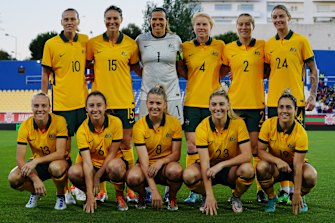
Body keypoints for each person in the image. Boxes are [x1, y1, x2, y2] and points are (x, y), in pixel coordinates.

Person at [264, 4, 318, 203]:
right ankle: (283, 190)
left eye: (281, 16)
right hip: (273, 102)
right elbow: (265, 71)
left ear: (289, 18)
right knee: (274, 146)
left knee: (295, 145)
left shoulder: (301, 41)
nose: (278, 20)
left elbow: (314, 70)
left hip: (296, 102)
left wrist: (312, 95)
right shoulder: (268, 44)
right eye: (274, 17)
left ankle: (297, 192)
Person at [86, 5, 139, 203]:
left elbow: (136, 67)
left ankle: (131, 187)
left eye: (115, 18)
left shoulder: (131, 44)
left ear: (121, 20)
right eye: (108, 18)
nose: (112, 22)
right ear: (104, 20)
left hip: (124, 101)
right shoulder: (93, 44)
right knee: (101, 145)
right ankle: (102, 190)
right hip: (101, 104)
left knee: (126, 144)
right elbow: (87, 64)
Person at [136, 6, 184, 203]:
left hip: (172, 97)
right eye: (154, 20)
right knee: (144, 141)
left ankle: (169, 187)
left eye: (161, 20)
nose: (157, 23)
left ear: (166, 21)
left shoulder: (176, 40)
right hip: (148, 96)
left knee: (172, 140)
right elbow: (138, 66)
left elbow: (180, 67)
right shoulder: (140, 40)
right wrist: (150, 85)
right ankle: (146, 186)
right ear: (149, 21)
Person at [41, 8, 88, 204]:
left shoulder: (86, 41)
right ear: (61, 22)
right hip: (61, 105)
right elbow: (45, 73)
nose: (69, 22)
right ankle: (66, 190)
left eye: (73, 19)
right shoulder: (51, 44)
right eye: (66, 19)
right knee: (65, 151)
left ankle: (80, 186)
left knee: (86, 147)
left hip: (83, 104)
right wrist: (44, 98)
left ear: (78, 22)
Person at [183, 89, 254, 215]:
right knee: (188, 175)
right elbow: (204, 164)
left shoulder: (238, 124)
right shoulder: (202, 127)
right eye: (214, 104)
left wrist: (221, 165)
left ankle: (235, 197)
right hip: (209, 169)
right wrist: (210, 195)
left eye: (221, 104)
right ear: (209, 107)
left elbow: (247, 155)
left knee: (248, 170)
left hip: (230, 169)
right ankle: (205, 196)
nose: (218, 108)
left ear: (228, 106)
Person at [181, 12, 227, 204]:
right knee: (192, 146)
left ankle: (211, 179)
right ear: (194, 27)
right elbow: (181, 69)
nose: (201, 27)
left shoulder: (220, 46)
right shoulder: (185, 47)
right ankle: (195, 189)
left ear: (211, 27)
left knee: (210, 145)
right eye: (198, 24)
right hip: (191, 102)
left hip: (212, 104)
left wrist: (215, 80)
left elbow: (225, 68)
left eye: (205, 24)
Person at [222, 13, 267, 203]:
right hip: (235, 107)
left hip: (256, 105)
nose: (244, 27)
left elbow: (269, 69)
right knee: (235, 149)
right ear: (236, 26)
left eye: (248, 24)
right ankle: (237, 186)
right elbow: (222, 70)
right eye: (241, 24)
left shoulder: (262, 46)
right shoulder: (228, 48)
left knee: (256, 149)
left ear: (253, 26)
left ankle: (260, 190)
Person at [68, 91, 131, 213]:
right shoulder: (82, 130)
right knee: (73, 172)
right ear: (86, 108)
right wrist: (90, 194)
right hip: (92, 167)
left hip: (111, 165)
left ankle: (119, 196)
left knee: (116, 167)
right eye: (91, 105)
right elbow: (86, 162)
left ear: (105, 106)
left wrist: (98, 176)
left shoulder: (116, 123)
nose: (95, 109)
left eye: (99, 105)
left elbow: (112, 154)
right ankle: (90, 195)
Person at [256, 90, 317, 214]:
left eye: (288, 107)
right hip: (276, 168)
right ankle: (272, 198)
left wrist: (297, 193)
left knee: (311, 175)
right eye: (281, 107)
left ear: (295, 110)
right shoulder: (268, 124)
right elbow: (260, 151)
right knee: (261, 167)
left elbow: (298, 166)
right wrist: (277, 161)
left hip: (295, 168)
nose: (284, 110)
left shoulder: (300, 133)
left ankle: (300, 197)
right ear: (277, 109)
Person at [8, 92, 70, 210]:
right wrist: (35, 179)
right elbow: (19, 159)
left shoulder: (60, 121)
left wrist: (36, 161)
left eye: (43, 105)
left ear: (49, 107)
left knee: (56, 168)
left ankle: (60, 196)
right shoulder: (25, 126)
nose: (40, 109)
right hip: (38, 164)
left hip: (58, 161)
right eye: (36, 106)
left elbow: (60, 153)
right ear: (32, 107)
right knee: (13, 178)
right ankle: (35, 192)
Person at [127, 85, 183, 211]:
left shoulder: (174, 123)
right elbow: (143, 160)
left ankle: (171, 197)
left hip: (165, 166)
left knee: (177, 171)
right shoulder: (139, 126)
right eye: (151, 102)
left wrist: (160, 162)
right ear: (146, 104)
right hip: (145, 165)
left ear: (164, 105)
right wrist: (154, 190)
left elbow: (176, 154)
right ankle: (143, 196)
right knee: (132, 177)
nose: (154, 106)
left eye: (158, 103)